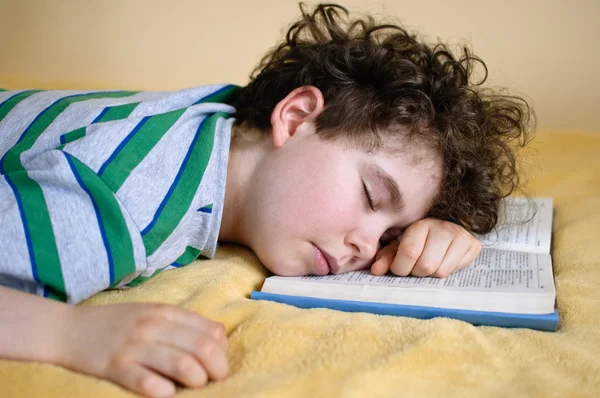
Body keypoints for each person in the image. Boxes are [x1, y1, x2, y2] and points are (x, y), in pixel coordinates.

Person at [0, 3, 534, 398]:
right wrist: (68, 334)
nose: (365, 247)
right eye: (372, 195)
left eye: (390, 234)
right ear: (296, 116)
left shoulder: (226, 123)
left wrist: (432, 229)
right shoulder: (124, 200)